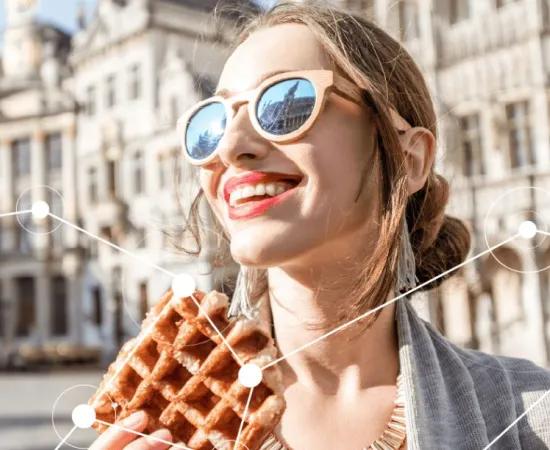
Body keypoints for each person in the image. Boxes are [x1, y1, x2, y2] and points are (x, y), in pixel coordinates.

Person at [89, 2, 550, 449]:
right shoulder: (158, 425)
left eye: (285, 104)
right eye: (210, 122)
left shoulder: (530, 413)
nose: (229, 147)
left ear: (408, 160)